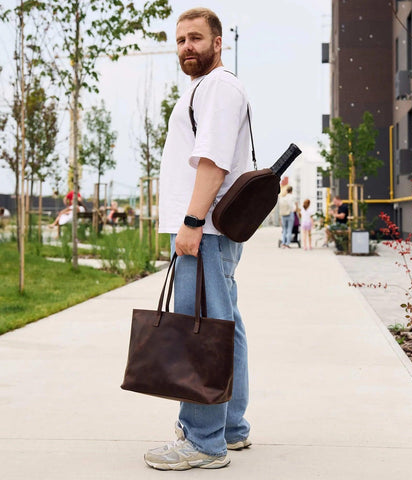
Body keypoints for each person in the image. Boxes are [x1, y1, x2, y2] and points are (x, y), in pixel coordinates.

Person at [145, 8, 251, 471]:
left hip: (204, 229)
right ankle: (230, 428)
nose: (187, 46)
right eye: (181, 39)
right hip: (209, 229)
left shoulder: (218, 88)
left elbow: (212, 163)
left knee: (203, 327)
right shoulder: (204, 88)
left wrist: (190, 222)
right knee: (225, 325)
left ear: (218, 43)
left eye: (196, 38)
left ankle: (203, 440)